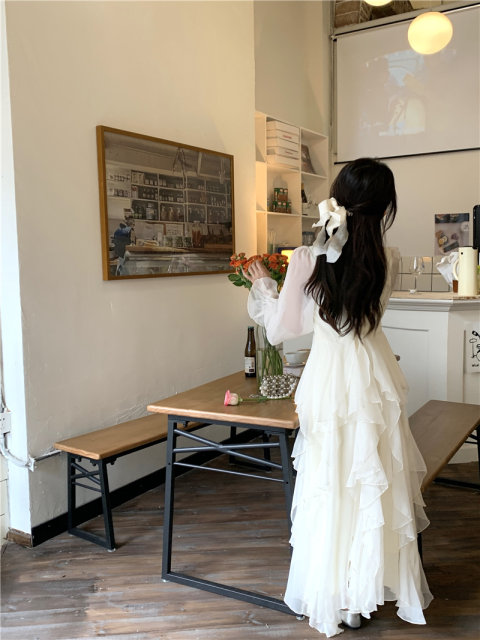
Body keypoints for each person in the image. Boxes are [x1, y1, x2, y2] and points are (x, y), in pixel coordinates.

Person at [245, 158, 432, 637]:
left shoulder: (308, 258)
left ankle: (337, 594)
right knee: (371, 481)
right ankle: (360, 594)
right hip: (374, 377)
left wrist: (262, 284)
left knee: (331, 479)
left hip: (329, 380)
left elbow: (283, 328)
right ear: (385, 208)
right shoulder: (387, 259)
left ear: (337, 198)